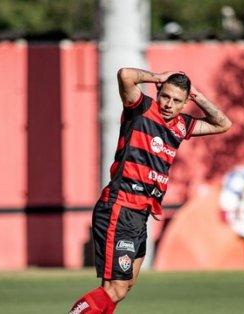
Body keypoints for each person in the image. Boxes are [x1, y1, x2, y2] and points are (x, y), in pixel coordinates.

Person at [68, 67, 232, 314]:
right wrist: (157, 77)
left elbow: (223, 123)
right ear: (158, 92)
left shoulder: (181, 125)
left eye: (177, 100)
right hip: (121, 205)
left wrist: (197, 96)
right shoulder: (141, 108)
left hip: (141, 214)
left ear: (185, 102)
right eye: (165, 96)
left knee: (124, 286)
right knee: (116, 289)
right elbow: (125, 75)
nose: (168, 104)